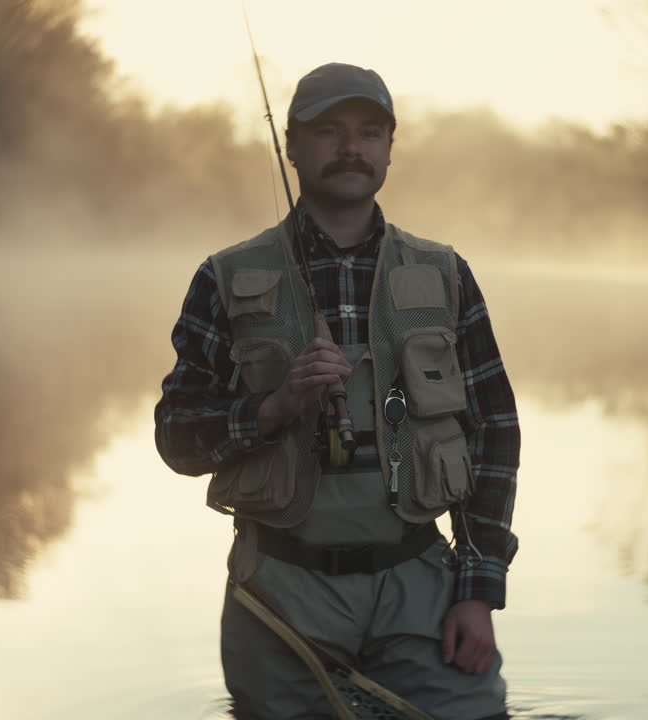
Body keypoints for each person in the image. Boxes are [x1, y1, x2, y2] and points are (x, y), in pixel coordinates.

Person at [154, 62, 520, 720]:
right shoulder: (223, 277)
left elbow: (494, 434)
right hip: (278, 591)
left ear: (389, 148)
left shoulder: (445, 274)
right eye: (329, 131)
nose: (352, 148)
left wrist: (478, 590)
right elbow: (176, 436)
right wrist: (273, 408)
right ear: (291, 144)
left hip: (421, 583)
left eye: (369, 132)